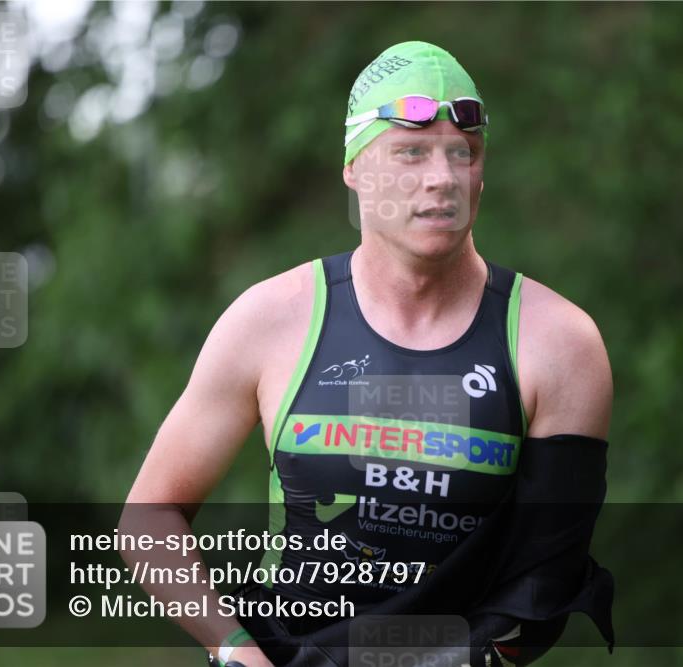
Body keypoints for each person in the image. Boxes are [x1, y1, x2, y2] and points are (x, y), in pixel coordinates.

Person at [124, 41, 613, 667]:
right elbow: (149, 517)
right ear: (354, 167)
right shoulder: (270, 320)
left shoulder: (559, 344)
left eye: (462, 152)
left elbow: (543, 584)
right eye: (410, 152)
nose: (441, 177)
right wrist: (236, 651)